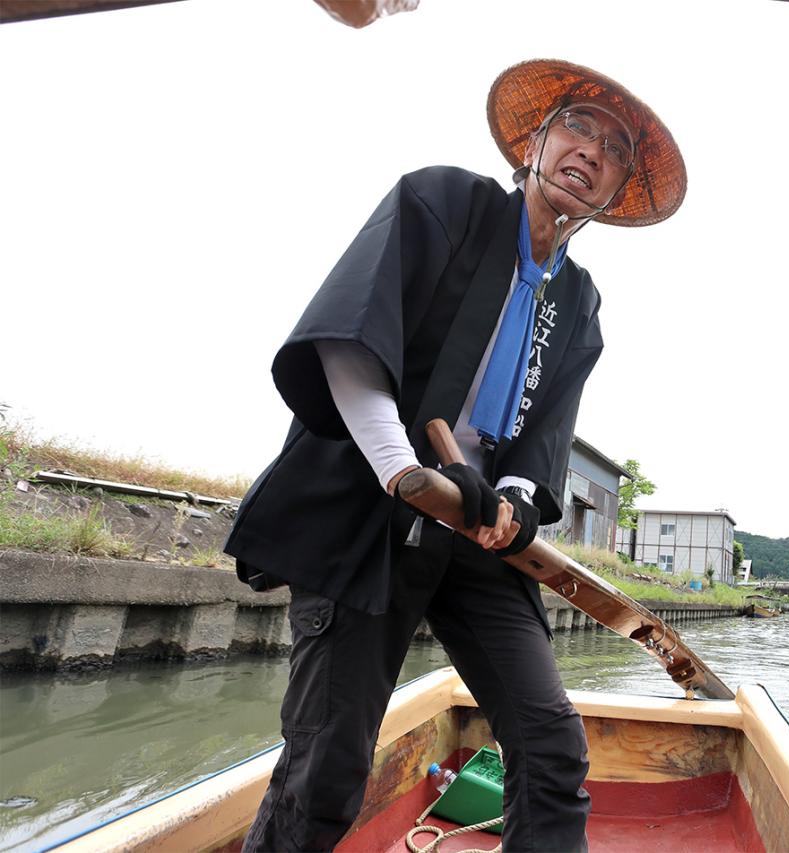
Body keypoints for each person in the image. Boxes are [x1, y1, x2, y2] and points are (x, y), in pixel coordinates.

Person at [223, 59, 686, 852]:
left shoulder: (578, 302)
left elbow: (544, 434)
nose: (591, 151)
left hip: (476, 529)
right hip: (370, 506)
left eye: (614, 150)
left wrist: (514, 499)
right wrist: (405, 470)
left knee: (551, 745)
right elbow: (351, 334)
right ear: (535, 143)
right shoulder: (442, 200)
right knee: (325, 769)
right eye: (577, 126)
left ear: (614, 192)